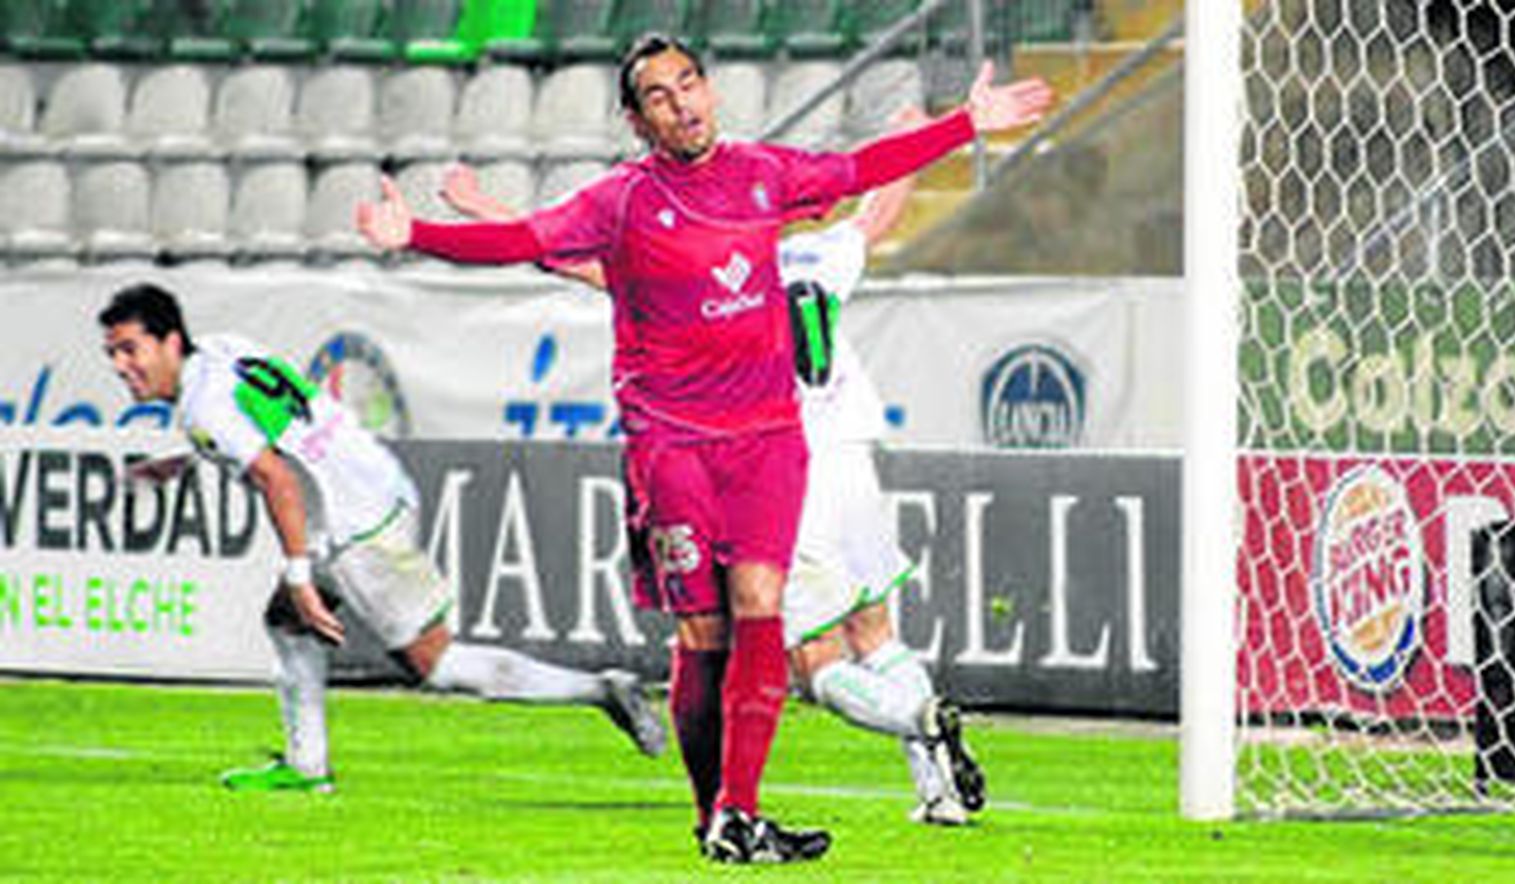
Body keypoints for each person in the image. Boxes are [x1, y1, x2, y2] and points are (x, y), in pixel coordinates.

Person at [357, 33, 1050, 864]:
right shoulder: (621, 201)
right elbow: (530, 239)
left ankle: (739, 816)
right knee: (704, 637)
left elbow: (860, 172)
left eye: (689, 82)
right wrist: (415, 232)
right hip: (674, 445)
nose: (682, 102)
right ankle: (711, 814)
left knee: (762, 608)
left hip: (769, 442)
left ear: (709, 89)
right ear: (636, 119)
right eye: (659, 94)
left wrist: (963, 125)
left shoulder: (763, 174)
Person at [440, 106, 986, 827]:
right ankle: (939, 790)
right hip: (851, 451)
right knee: (876, 631)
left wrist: (483, 208)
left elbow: (576, 259)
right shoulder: (822, 255)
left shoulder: (694, 266)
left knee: (815, 662)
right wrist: (913, 137)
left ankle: (921, 718)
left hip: (779, 462)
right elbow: (877, 209)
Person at [98, 283, 667, 795]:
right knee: (287, 623)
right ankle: (306, 765)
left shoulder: (203, 407)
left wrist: (300, 575)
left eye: (130, 349)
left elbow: (278, 480)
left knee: (436, 663)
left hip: (355, 524)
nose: (122, 365)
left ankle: (602, 690)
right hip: (372, 484)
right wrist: (180, 461)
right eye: (113, 353)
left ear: (170, 341)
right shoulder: (224, 350)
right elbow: (268, 426)